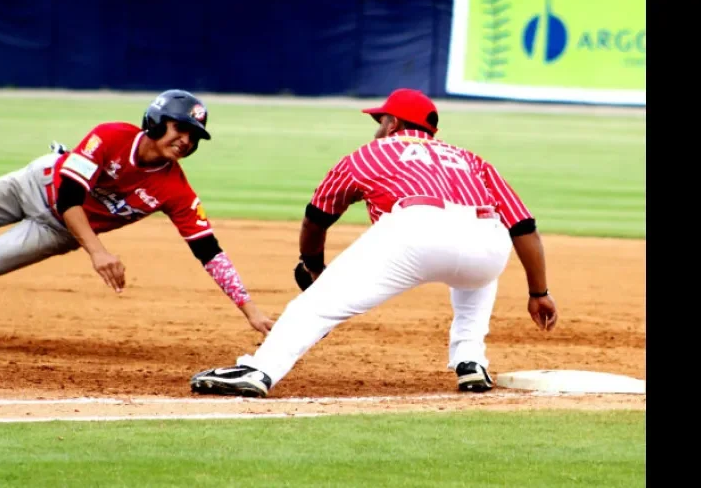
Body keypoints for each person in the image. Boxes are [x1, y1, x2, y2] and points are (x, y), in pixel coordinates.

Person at [190, 88, 559, 398]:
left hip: (414, 228)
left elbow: (317, 217)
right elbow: (523, 227)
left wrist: (313, 265)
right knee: (479, 262)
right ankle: (471, 361)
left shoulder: (372, 153)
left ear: (393, 123)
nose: (377, 129)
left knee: (318, 305)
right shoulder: (472, 160)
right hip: (487, 241)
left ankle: (258, 372)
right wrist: (538, 291)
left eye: (380, 121)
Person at [0, 89, 274, 346]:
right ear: (156, 121)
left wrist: (251, 311)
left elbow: (209, 251)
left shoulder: (176, 190)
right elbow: (70, 195)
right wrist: (99, 251)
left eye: (194, 137)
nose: (186, 141)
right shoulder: (110, 135)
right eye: (181, 128)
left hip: (57, 229)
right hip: (34, 184)